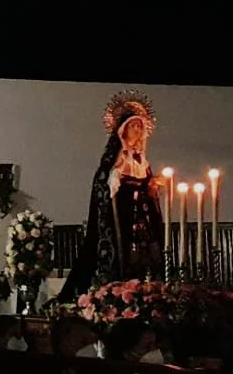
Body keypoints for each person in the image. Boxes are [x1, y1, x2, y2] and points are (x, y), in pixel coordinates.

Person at [61, 91, 164, 299]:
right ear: (123, 129)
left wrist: (152, 186)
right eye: (133, 125)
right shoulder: (116, 157)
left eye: (140, 126)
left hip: (140, 219)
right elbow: (105, 183)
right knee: (118, 257)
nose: (137, 130)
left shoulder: (141, 160)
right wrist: (116, 180)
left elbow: (146, 186)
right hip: (121, 217)